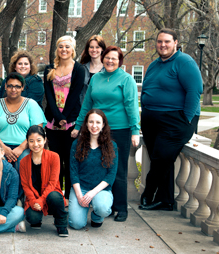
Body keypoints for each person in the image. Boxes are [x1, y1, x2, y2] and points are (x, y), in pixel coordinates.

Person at [72, 46, 140, 222]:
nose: (110, 61)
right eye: (107, 58)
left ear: (120, 61)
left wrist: (135, 130)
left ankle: (121, 208)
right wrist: (79, 126)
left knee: (119, 169)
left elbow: (132, 106)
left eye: (114, 59)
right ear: (103, 59)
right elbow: (87, 105)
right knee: (100, 166)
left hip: (119, 129)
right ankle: (104, 205)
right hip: (97, 129)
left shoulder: (126, 80)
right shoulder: (96, 79)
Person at [139, 28, 202, 211]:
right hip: (151, 119)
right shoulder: (154, 64)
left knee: (161, 158)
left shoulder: (185, 62)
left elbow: (195, 90)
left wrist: (186, 119)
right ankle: (165, 201)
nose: (163, 45)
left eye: (167, 41)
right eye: (159, 42)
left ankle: (148, 194)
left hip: (175, 120)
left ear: (175, 42)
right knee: (161, 160)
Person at [44, 35, 85, 202]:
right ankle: (56, 194)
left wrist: (65, 117)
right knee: (55, 161)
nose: (64, 50)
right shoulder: (49, 69)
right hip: (53, 122)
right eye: (61, 47)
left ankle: (69, 196)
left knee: (69, 160)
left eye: (67, 47)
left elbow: (75, 95)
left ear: (72, 49)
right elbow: (49, 95)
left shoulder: (79, 69)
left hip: (71, 122)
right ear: (57, 49)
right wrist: (58, 116)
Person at [68, 109, 118, 229]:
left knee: (103, 208)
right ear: (86, 124)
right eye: (91, 122)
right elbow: (73, 172)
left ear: (103, 125)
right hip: (81, 188)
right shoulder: (77, 144)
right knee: (76, 224)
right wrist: (80, 195)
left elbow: (111, 174)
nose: (94, 126)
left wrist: (93, 193)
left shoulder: (112, 146)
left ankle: (97, 215)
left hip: (100, 190)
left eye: (98, 122)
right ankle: (83, 209)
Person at [0, 72, 46, 174]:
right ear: (5, 86)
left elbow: (37, 131)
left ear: (22, 88)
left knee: (22, 163)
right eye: (10, 86)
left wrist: (21, 148)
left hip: (26, 146)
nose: (13, 89)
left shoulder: (31, 104)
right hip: (1, 145)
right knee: (1, 165)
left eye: (17, 86)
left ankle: (21, 191)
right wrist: (3, 148)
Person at [20, 125, 69, 237]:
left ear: (45, 140)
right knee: (32, 219)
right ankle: (37, 218)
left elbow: (53, 183)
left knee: (55, 197)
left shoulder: (54, 156)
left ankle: (61, 223)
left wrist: (42, 200)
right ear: (27, 142)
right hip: (34, 196)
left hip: (50, 194)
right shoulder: (23, 162)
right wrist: (33, 201)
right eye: (31, 141)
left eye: (39, 140)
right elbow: (25, 186)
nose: (35, 144)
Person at [79, 35, 106, 104]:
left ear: (102, 49)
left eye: (97, 47)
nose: (94, 50)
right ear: (88, 49)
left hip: (102, 110)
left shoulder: (107, 69)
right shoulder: (82, 68)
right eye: (91, 47)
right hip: (83, 109)